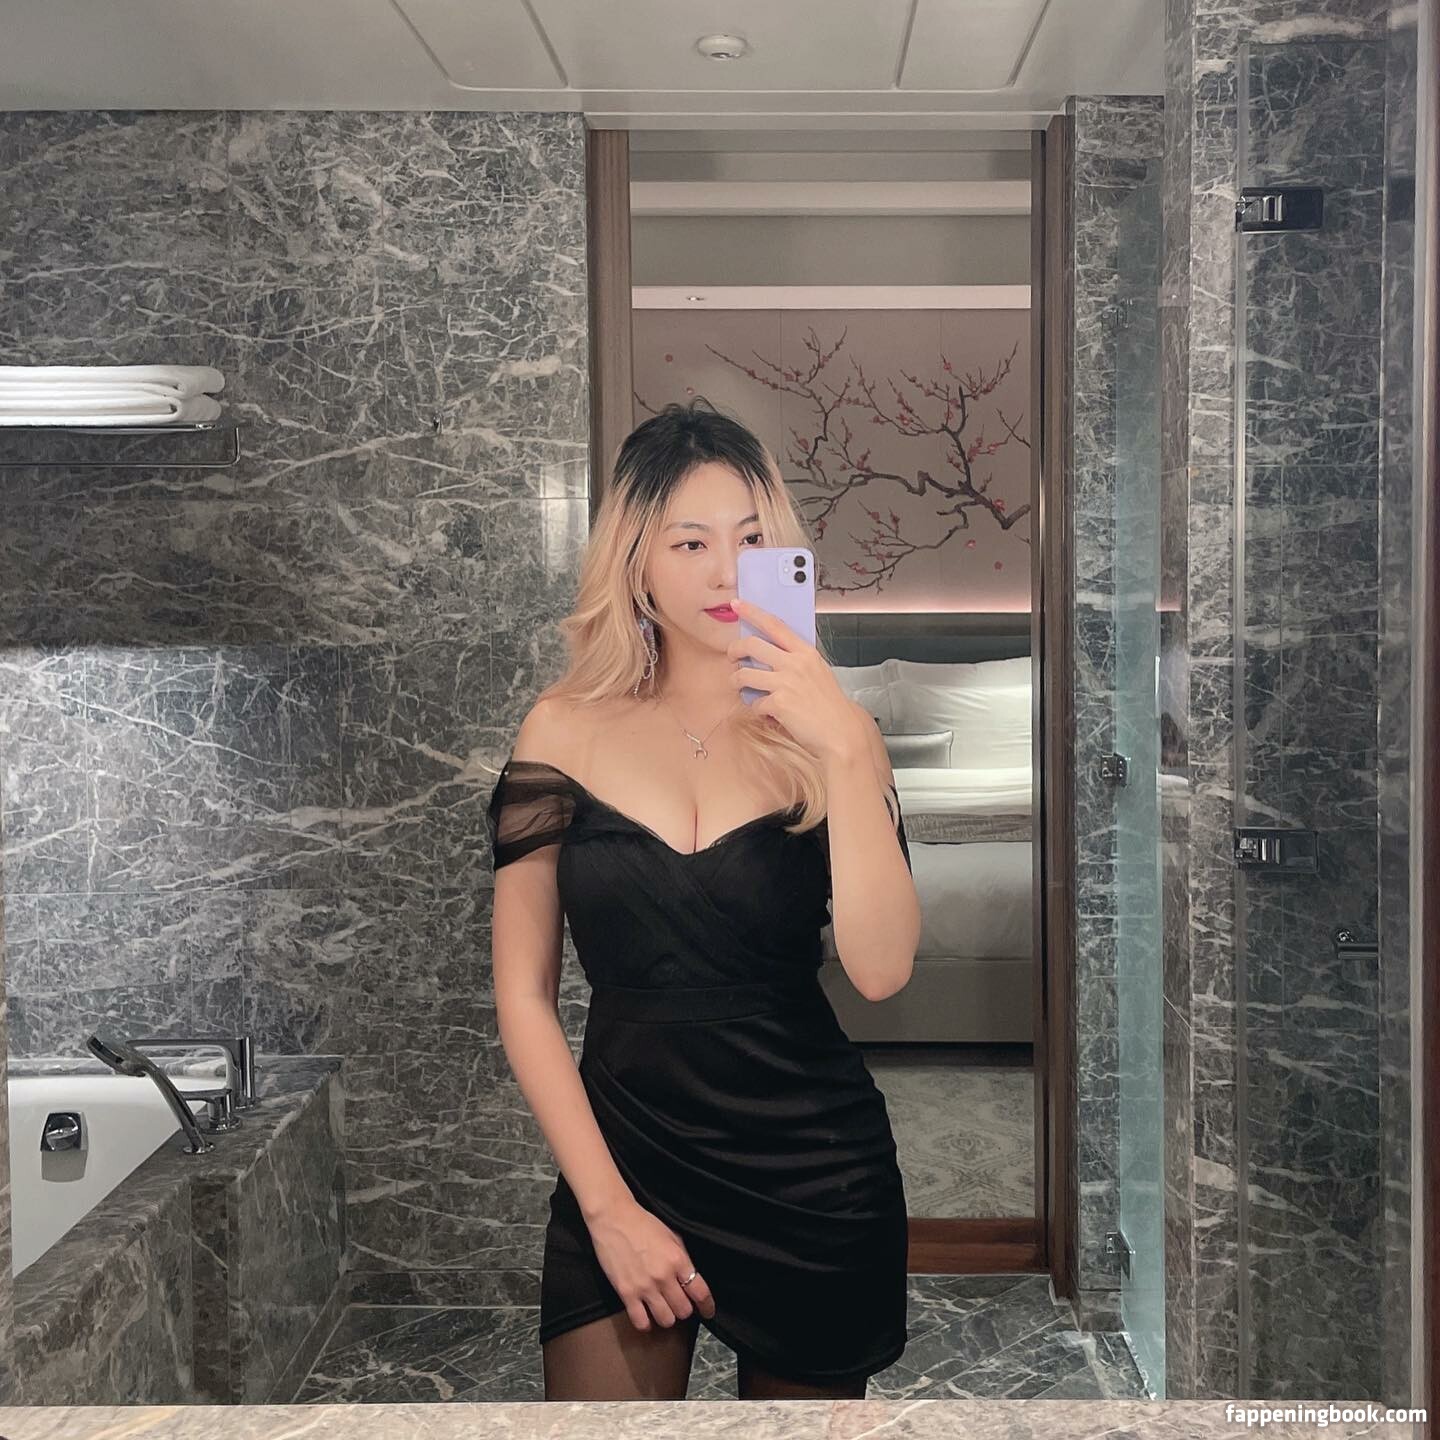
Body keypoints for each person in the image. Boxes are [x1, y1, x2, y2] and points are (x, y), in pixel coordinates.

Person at [486, 397, 922, 1402]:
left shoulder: (835, 735)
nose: (727, 571)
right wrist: (607, 1212)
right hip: (624, 1160)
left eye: (752, 540)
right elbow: (523, 997)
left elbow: (882, 969)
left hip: (813, 1175)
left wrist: (844, 746)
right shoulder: (561, 729)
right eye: (691, 543)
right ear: (637, 560)